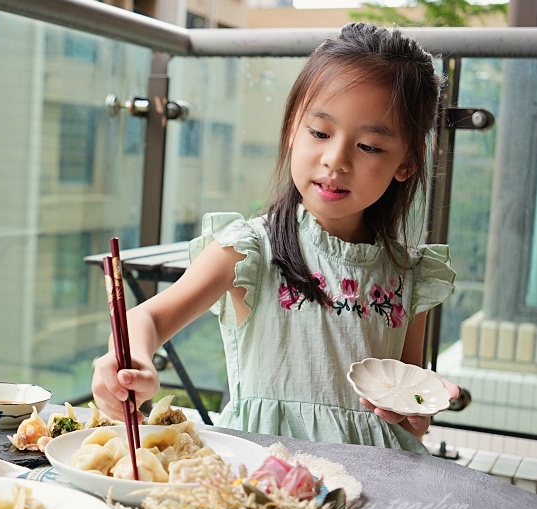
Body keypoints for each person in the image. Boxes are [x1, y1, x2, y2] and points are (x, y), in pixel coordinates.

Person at [92, 23, 461, 455]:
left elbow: (408, 412)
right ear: (291, 131)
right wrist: (129, 360)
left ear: (407, 163)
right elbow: (147, 319)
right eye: (320, 133)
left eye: (368, 146)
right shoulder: (250, 248)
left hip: (379, 481)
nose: (335, 160)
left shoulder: (411, 274)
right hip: (262, 476)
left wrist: (417, 410)